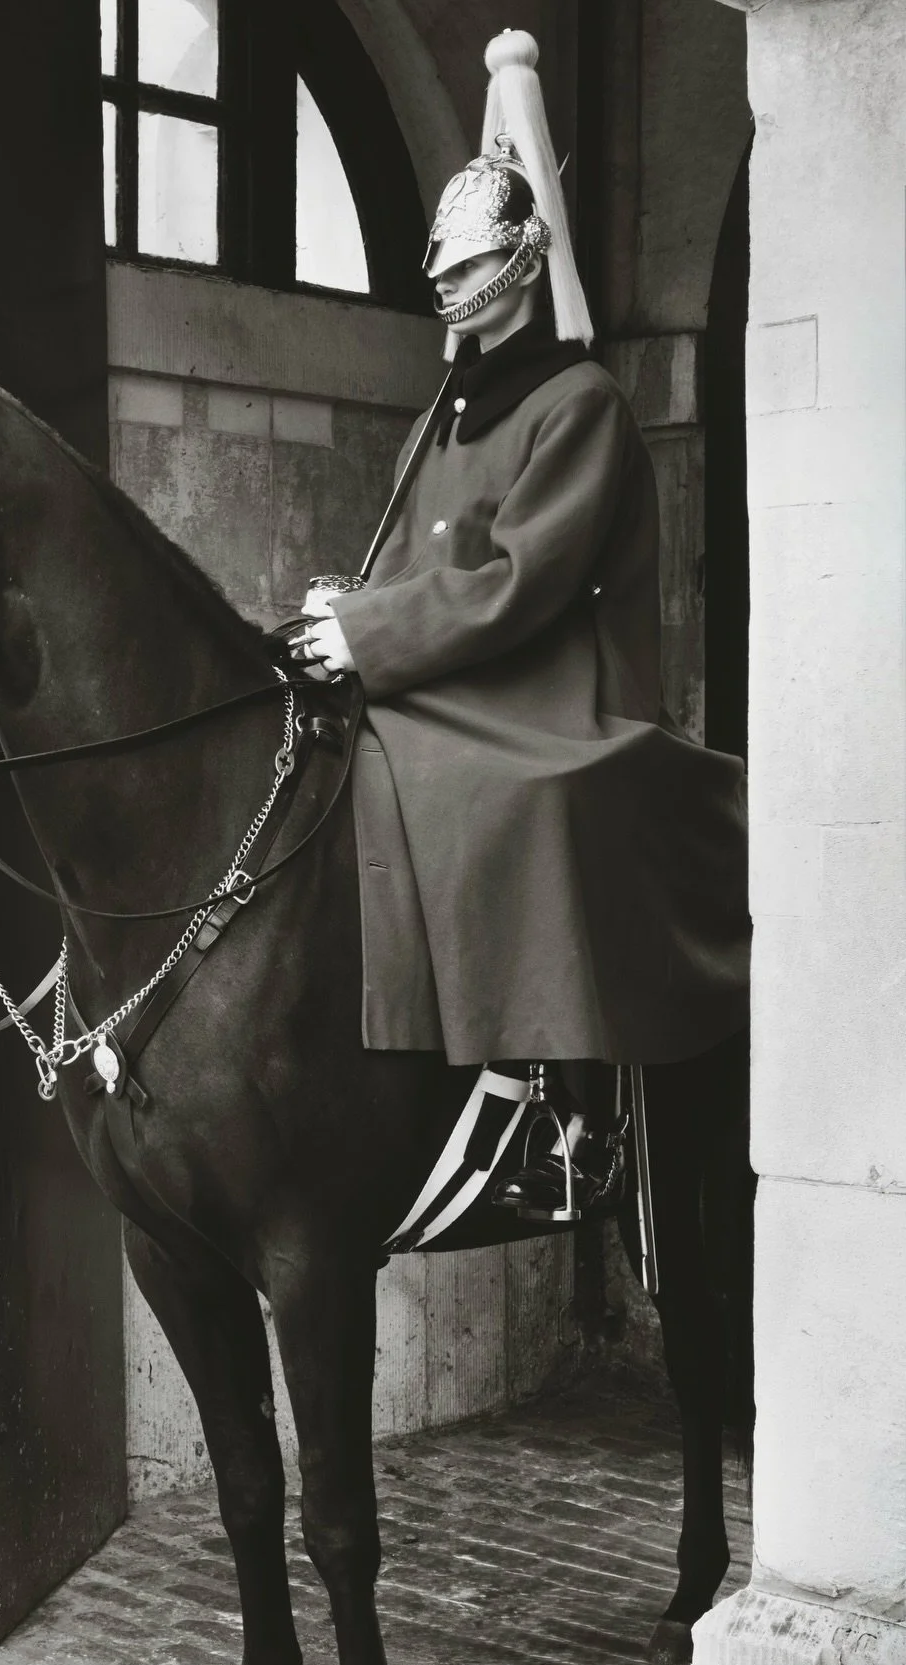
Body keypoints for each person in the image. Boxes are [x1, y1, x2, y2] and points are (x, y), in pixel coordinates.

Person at [296, 28, 750, 1219]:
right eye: (442, 272)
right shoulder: (444, 412)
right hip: (456, 669)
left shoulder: (579, 403)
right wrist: (351, 607)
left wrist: (376, 637)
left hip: (556, 689)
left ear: (523, 262)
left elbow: (523, 584)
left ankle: (560, 1108)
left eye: (472, 269)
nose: (449, 289)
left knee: (520, 798)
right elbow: (418, 560)